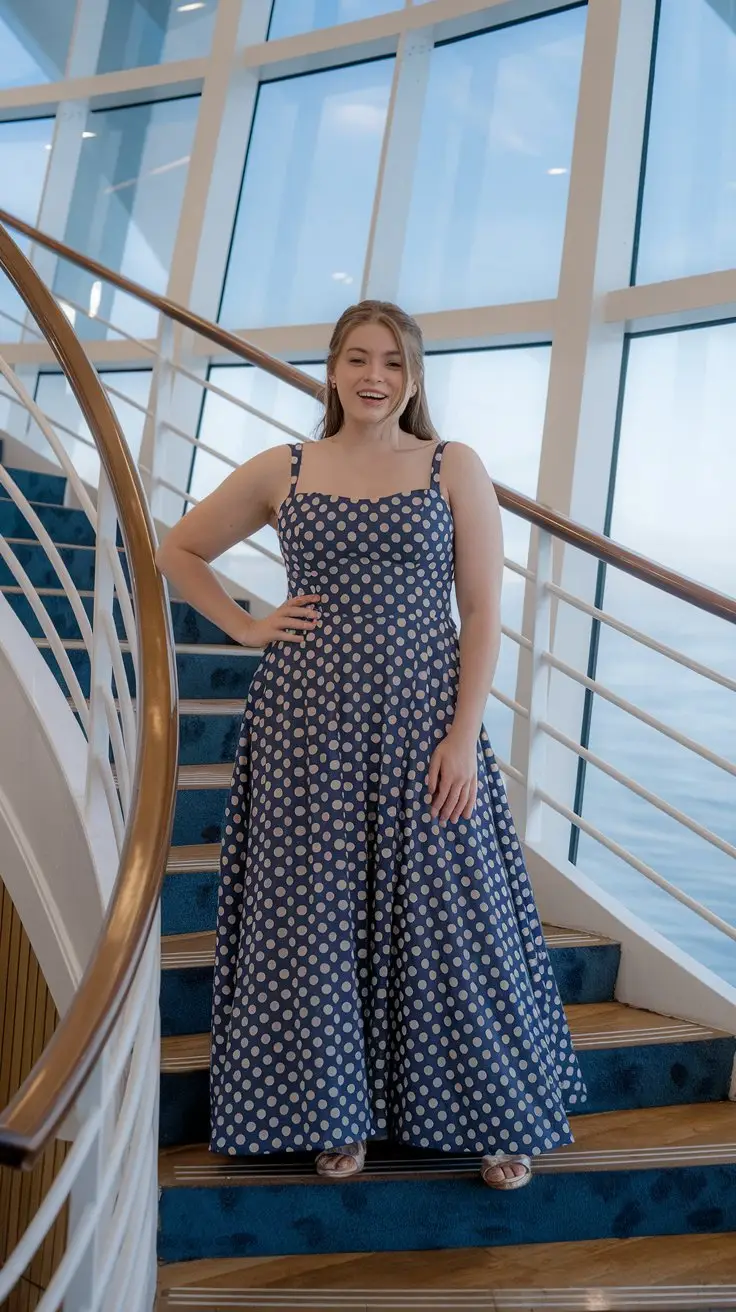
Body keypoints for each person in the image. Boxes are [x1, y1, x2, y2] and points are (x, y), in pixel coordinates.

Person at [156, 299, 585, 1189]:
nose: (374, 376)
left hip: (425, 720)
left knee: (455, 915)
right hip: (305, 724)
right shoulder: (288, 465)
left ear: (414, 376)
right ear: (333, 368)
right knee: (312, 922)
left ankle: (495, 1112)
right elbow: (180, 550)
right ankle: (331, 1114)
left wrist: (463, 738)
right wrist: (245, 625)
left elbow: (482, 616)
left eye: (392, 361)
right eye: (357, 359)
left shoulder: (450, 465)